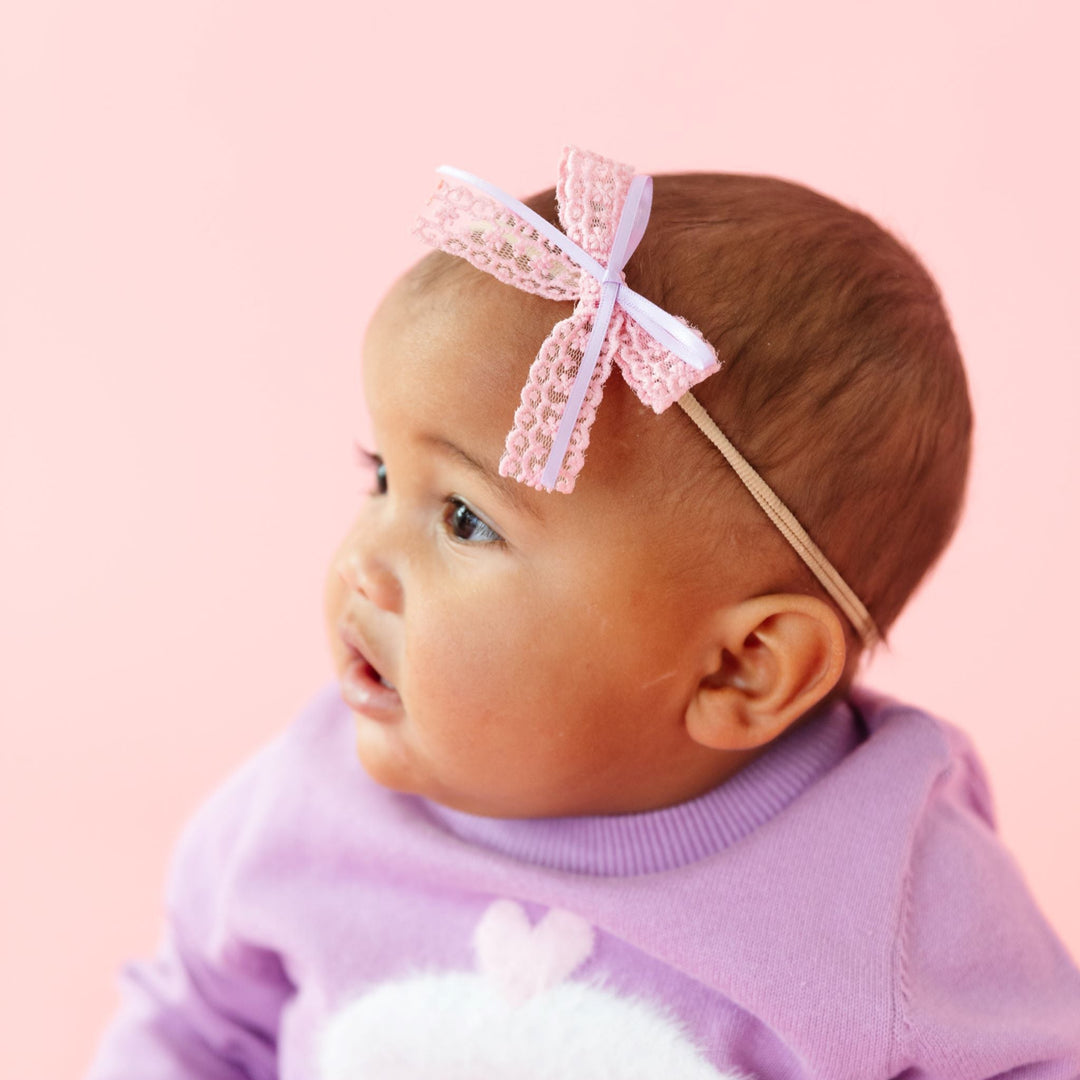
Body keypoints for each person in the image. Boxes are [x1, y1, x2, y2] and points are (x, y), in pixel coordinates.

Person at [86, 148, 1080, 1079]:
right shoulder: (305, 800)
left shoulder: (889, 886)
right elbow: (195, 1023)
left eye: (465, 519)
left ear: (743, 667)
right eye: (381, 477)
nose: (362, 562)